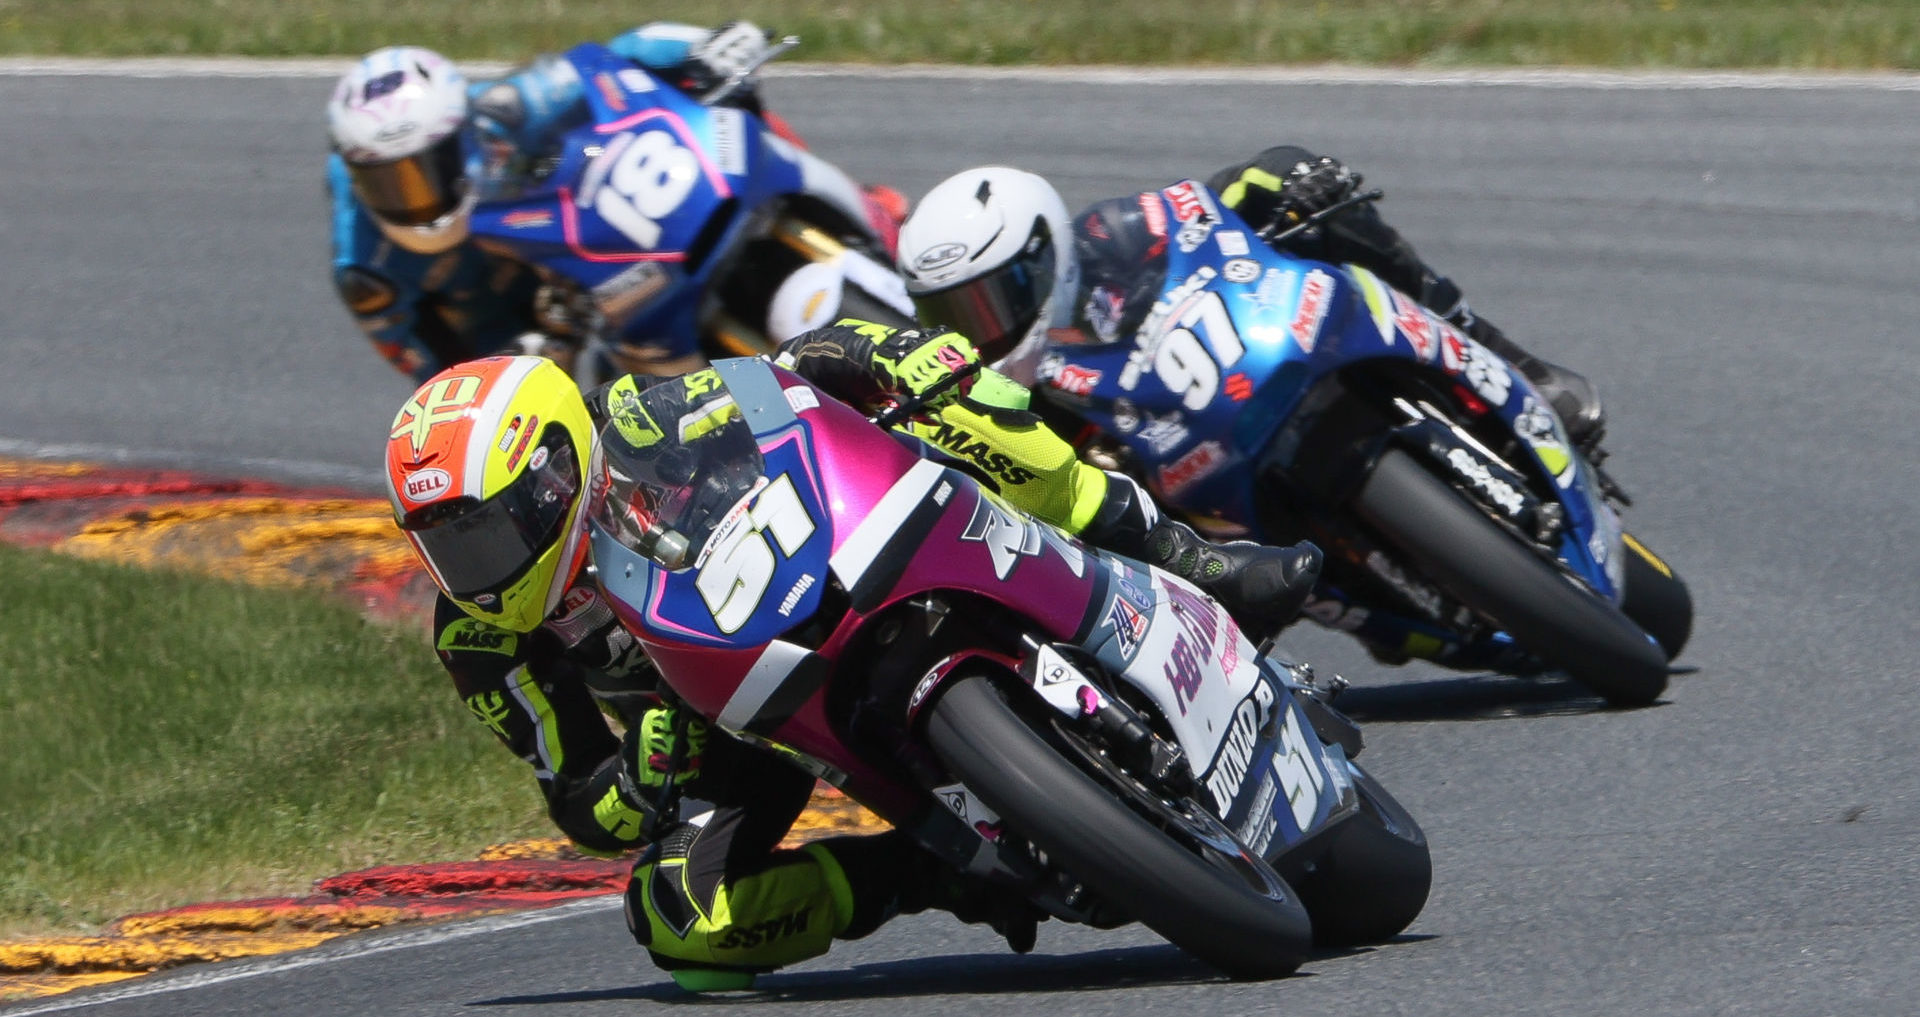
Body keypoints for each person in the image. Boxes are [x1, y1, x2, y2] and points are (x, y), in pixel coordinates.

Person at [383, 319, 1321, 989]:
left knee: (948, 405)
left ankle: (1188, 557)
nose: (482, 563)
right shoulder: (479, 635)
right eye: (451, 544)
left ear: (556, 467)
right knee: (683, 922)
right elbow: (583, 804)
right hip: (723, 719)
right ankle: (935, 872)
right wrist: (644, 766)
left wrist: (866, 354)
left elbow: (766, 383)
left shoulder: (633, 419)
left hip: (830, 557)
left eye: (495, 526)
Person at [892, 151, 1605, 449]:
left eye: (991, 303)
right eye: (957, 317)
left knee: (1297, 182)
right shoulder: (1014, 415)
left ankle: (1515, 361)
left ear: (1046, 253)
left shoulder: (1111, 234)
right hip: (1210, 511)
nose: (984, 333)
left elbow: (1214, 198)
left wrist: (1296, 185)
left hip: (1253, 354)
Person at [327, 24, 907, 384]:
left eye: (421, 170)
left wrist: (700, 47)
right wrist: (506, 365)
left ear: (456, 136)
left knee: (738, 114)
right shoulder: (367, 268)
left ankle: (860, 205)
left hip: (614, 239)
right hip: (541, 332)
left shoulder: (486, 118)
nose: (410, 195)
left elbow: (610, 58)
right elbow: (432, 375)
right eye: (386, 180)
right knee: (630, 445)